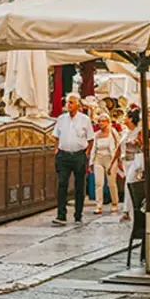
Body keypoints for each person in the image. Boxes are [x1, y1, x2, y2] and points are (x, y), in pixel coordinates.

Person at [53, 93, 94, 226]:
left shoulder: (85, 120)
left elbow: (90, 139)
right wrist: (57, 149)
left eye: (71, 102)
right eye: (67, 102)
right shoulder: (61, 119)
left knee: (79, 186)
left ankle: (78, 215)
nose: (68, 105)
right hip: (63, 155)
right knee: (62, 184)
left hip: (78, 155)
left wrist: (86, 153)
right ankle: (61, 215)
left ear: (77, 105)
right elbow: (56, 135)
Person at [90, 113, 122, 216]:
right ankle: (98, 205)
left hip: (110, 158)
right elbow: (94, 148)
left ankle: (114, 203)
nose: (101, 123)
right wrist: (91, 162)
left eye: (103, 121)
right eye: (100, 121)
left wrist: (118, 160)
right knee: (98, 183)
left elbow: (118, 146)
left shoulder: (113, 133)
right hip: (98, 159)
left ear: (108, 122)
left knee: (111, 183)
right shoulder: (96, 134)